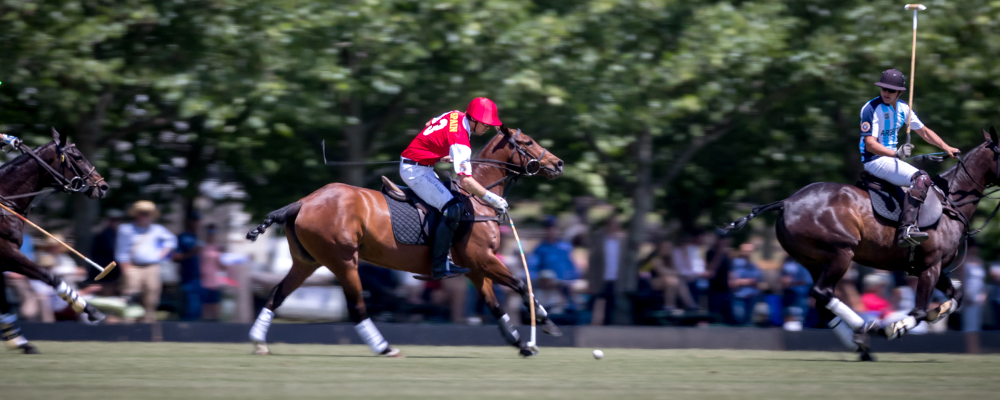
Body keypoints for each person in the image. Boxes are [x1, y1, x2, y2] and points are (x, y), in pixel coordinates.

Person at [400, 98, 510, 280]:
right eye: (485, 124)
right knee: (453, 208)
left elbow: (430, 124)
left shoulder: (455, 114)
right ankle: (439, 265)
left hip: (419, 164)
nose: (487, 128)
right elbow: (466, 182)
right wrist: (494, 199)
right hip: (415, 171)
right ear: (474, 120)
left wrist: (438, 152)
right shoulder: (461, 142)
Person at [859, 69, 960, 247]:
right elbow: (870, 144)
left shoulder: (904, 108)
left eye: (891, 90)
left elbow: (924, 132)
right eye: (883, 89)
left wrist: (946, 147)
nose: (886, 93)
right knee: (920, 178)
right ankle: (907, 229)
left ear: (899, 92)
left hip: (892, 160)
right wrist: (896, 154)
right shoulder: (871, 108)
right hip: (875, 160)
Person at [116, 201, 177, 323]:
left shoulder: (157, 229)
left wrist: (162, 253)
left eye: (147, 214)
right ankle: (127, 324)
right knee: (130, 296)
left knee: (152, 296)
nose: (144, 216)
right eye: (142, 213)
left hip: (152, 267)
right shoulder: (125, 229)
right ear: (136, 214)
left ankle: (148, 323)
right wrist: (125, 269)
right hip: (132, 266)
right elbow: (121, 251)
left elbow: (171, 241)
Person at [528, 216, 578, 312]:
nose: (551, 231)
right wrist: (539, 280)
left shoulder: (566, 248)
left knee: (572, 306)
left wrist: (571, 280)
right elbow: (532, 268)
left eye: (553, 228)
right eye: (548, 229)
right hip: (546, 286)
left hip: (565, 285)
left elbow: (572, 267)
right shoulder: (539, 249)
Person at [174, 212, 203, 320]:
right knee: (188, 308)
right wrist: (192, 252)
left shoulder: (197, 237)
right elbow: (176, 257)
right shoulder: (183, 237)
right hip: (187, 277)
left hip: (199, 278)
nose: (196, 223)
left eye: (197, 221)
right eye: (194, 220)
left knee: (197, 309)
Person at [728, 242, 761, 326]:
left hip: (751, 296)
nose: (748, 253)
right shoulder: (735, 263)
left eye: (750, 251)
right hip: (738, 296)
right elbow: (733, 282)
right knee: (739, 318)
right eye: (745, 251)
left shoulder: (754, 265)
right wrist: (748, 281)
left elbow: (757, 280)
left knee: (748, 322)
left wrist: (743, 281)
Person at [199, 223, 225, 320]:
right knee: (204, 306)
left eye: (214, 232)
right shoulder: (201, 247)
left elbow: (222, 266)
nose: (211, 234)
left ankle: (215, 327)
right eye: (209, 232)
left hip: (215, 281)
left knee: (215, 306)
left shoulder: (218, 248)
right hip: (203, 281)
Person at [780, 256, 813, 331]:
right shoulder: (787, 261)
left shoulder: (806, 263)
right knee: (788, 313)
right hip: (788, 293)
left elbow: (807, 280)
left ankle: (798, 336)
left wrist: (791, 281)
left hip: (801, 294)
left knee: (799, 315)